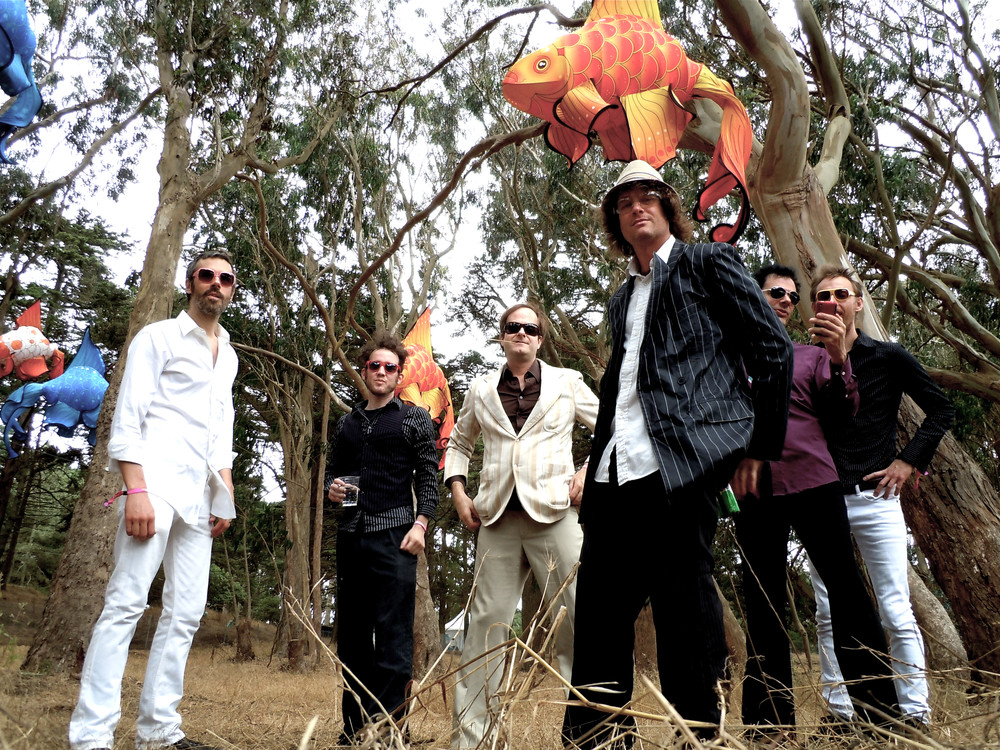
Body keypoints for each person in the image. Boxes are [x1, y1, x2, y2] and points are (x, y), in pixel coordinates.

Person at [561, 160, 794, 748]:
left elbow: (773, 349)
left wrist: (758, 448)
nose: (637, 206)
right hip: (615, 475)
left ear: (667, 207)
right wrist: (593, 462)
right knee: (598, 617)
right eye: (625, 202)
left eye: (648, 196)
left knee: (684, 612)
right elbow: (618, 389)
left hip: (681, 467)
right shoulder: (620, 299)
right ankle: (598, 741)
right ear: (616, 221)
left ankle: (696, 737)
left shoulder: (708, 263)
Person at [69, 250, 239, 750]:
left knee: (185, 613)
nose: (216, 283)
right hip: (155, 485)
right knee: (125, 604)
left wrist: (224, 489)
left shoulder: (228, 354)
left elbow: (220, 430)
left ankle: (159, 731)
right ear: (190, 283)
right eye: (206, 275)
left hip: (200, 497)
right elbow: (129, 417)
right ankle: (91, 736)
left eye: (225, 278)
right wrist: (136, 490)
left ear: (231, 290)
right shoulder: (158, 337)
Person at [732, 264, 898, 737]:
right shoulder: (727, 357)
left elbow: (842, 413)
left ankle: (880, 719)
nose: (785, 300)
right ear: (754, 297)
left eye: (791, 295)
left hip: (815, 482)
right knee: (763, 602)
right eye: (775, 292)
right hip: (754, 491)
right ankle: (769, 728)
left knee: (848, 594)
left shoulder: (812, 356)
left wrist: (841, 358)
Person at [446, 302, 599, 750]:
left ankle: (590, 735)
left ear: (540, 339)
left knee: (580, 623)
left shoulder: (567, 383)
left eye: (530, 328)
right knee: (485, 631)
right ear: (502, 335)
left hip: (556, 516)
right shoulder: (480, 389)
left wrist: (588, 470)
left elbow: (612, 425)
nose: (521, 333)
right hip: (496, 521)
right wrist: (458, 490)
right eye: (513, 327)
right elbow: (459, 442)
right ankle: (473, 741)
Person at [808, 265, 955, 728]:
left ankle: (915, 713)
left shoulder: (888, 356)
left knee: (894, 607)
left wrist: (909, 461)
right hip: (823, 502)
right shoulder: (806, 363)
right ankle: (841, 713)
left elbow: (941, 408)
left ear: (858, 303)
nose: (832, 301)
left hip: (876, 499)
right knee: (828, 611)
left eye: (841, 294)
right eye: (823, 296)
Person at [326, 331, 438, 743]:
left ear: (399, 374)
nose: (382, 372)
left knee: (394, 638)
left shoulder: (413, 418)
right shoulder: (347, 423)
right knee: (353, 640)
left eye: (390, 367)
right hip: (351, 537)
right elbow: (332, 473)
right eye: (375, 365)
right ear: (365, 369)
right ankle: (354, 731)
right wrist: (332, 488)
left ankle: (390, 733)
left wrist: (421, 525)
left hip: (396, 537)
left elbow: (428, 477)